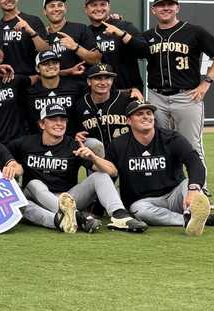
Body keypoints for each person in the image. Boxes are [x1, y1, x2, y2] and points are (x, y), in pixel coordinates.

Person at [105, 101, 214, 236]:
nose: (146, 117)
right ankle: (196, 219)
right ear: (128, 120)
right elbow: (108, 178)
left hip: (175, 194)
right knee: (139, 210)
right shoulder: (118, 145)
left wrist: (193, 190)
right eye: (139, 114)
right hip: (143, 202)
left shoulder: (171, 138)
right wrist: (96, 209)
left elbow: (194, 162)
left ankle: (194, 214)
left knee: (190, 184)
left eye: (149, 113)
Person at [9, 104, 145, 234]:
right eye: (53, 119)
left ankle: (119, 215)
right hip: (37, 197)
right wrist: (12, 164)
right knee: (32, 187)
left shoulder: (73, 146)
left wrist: (93, 157)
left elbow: (113, 172)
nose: (59, 123)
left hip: (68, 198)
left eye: (62, 120)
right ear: (42, 124)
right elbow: (4, 156)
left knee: (100, 176)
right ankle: (77, 217)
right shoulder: (25, 143)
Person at [142, 0, 214, 165]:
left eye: (170, 4)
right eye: (161, 5)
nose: (165, 8)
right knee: (160, 145)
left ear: (177, 7)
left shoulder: (193, 31)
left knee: (192, 145)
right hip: (156, 96)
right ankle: (170, 187)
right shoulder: (148, 36)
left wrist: (207, 82)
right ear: (154, 10)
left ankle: (199, 188)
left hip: (187, 96)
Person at [82, 0, 146, 91]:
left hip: (129, 92)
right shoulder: (85, 33)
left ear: (109, 7)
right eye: (94, 5)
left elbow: (144, 51)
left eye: (103, 4)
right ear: (86, 9)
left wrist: (122, 34)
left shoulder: (124, 26)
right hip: (99, 94)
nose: (99, 8)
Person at [72, 63, 138, 158]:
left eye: (107, 78)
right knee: (94, 144)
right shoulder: (80, 105)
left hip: (126, 154)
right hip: (97, 158)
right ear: (89, 81)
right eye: (98, 78)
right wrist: (76, 135)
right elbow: (73, 131)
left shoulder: (128, 99)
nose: (103, 83)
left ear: (112, 81)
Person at [0, 0, 50, 78]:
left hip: (32, 79)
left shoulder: (33, 21)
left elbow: (46, 51)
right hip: (8, 81)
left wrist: (31, 32)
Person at [40, 0, 101, 83]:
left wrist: (76, 47)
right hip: (53, 91)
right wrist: (68, 72)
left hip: (80, 88)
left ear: (65, 8)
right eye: (52, 6)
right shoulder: (41, 37)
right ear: (44, 11)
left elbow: (96, 60)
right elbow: (38, 71)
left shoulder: (81, 29)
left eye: (60, 5)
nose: (56, 9)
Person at [25, 50, 86, 132]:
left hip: (72, 138)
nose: (51, 66)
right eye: (45, 64)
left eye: (54, 63)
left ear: (59, 65)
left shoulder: (75, 87)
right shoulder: (29, 93)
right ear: (37, 68)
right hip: (40, 140)